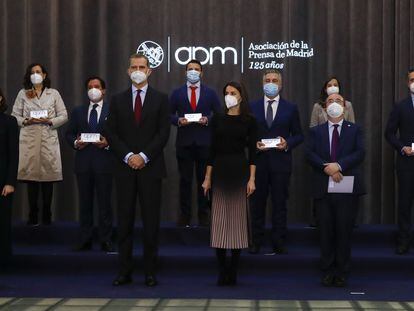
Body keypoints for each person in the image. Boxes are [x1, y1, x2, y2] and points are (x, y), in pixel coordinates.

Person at [105, 53, 170, 287]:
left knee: (151, 224)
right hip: (124, 169)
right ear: (128, 70)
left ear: (150, 71)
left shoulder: (162, 99)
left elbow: (163, 133)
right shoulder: (117, 99)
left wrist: (143, 156)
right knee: (124, 223)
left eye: (142, 66)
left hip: (150, 169)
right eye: (134, 66)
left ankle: (150, 272)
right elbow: (111, 132)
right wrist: (128, 156)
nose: (138, 70)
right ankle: (124, 271)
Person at [306, 93, 365, 287]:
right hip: (323, 187)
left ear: (345, 107)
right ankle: (327, 270)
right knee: (325, 232)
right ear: (324, 107)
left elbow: (359, 152)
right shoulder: (317, 131)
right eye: (330, 101)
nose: (334, 104)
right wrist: (326, 167)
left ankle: (342, 271)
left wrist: (338, 166)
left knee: (343, 231)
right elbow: (309, 153)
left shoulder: (354, 130)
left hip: (346, 188)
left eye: (338, 101)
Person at [202, 81, 257, 286]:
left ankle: (233, 269)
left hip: (239, 171)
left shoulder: (250, 121)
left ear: (241, 95)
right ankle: (221, 269)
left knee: (236, 224)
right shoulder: (217, 119)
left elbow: (253, 153)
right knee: (219, 224)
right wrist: (207, 178)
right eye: (226, 93)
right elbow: (211, 151)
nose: (229, 96)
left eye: (233, 92)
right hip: (219, 171)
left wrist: (252, 179)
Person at [249, 69, 303, 255]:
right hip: (259, 163)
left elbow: (299, 135)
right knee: (257, 204)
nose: (270, 83)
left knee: (280, 204)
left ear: (280, 85)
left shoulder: (291, 108)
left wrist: (287, 143)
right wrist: (253, 144)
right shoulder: (252, 106)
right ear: (263, 83)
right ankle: (256, 241)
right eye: (267, 80)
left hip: (281, 163)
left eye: (274, 80)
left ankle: (279, 240)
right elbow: (246, 134)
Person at [11, 63, 68, 226]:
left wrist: (50, 120)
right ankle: (33, 214)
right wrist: (27, 120)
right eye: (32, 72)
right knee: (32, 179)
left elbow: (64, 115)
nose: (35, 74)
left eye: (38, 72)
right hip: (29, 138)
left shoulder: (53, 93)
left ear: (44, 75)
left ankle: (47, 214)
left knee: (48, 178)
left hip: (48, 137)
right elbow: (15, 116)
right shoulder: (23, 94)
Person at [170, 59, 221, 227]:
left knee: (204, 180)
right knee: (185, 180)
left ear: (202, 72)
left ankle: (203, 214)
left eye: (196, 69)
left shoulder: (211, 93)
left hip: (205, 143)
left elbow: (220, 114)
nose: (193, 71)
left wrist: (208, 120)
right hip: (184, 143)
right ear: (185, 72)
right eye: (190, 69)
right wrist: (178, 120)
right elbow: (168, 115)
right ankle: (185, 215)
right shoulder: (177, 93)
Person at [65, 76, 114, 252]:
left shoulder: (112, 110)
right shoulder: (78, 111)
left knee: (105, 204)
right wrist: (76, 143)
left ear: (104, 90)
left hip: (105, 164)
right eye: (90, 87)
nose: (93, 89)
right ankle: (85, 239)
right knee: (85, 204)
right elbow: (69, 134)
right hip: (83, 164)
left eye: (97, 86)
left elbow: (119, 135)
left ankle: (106, 239)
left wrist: (108, 143)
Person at [309, 77, 356, 227]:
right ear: (325, 88)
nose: (333, 87)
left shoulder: (347, 105)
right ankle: (319, 219)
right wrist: (327, 166)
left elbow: (352, 129)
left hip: (343, 156)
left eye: (335, 84)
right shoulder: (318, 106)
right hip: (322, 156)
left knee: (343, 209)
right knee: (322, 197)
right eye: (329, 85)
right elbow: (312, 128)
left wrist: (339, 165)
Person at [385, 69, 414, 255]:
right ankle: (403, 241)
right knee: (405, 204)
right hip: (406, 163)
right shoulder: (400, 106)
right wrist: (402, 147)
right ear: (407, 83)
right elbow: (389, 133)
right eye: (412, 79)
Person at [0, 88, 19, 266]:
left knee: (2, 222)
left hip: (3, 182)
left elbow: (14, 155)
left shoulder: (9, 122)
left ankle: (4, 260)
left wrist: (10, 182)